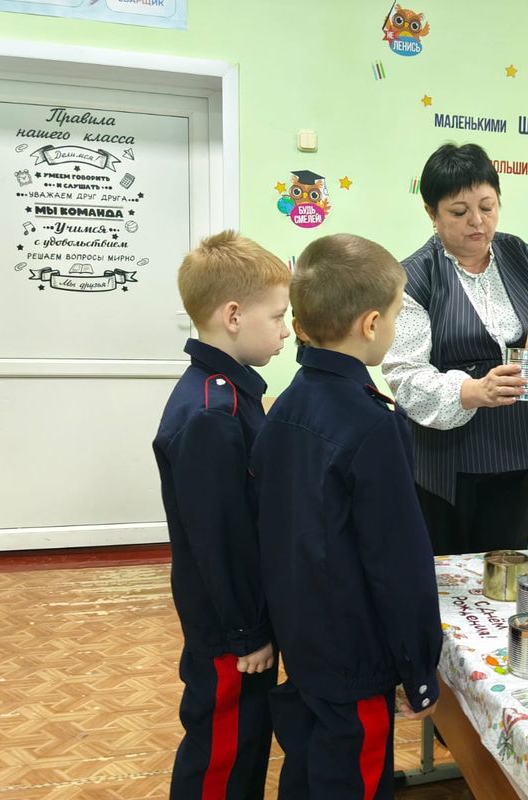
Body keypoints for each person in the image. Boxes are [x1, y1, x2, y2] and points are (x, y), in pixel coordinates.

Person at [254, 234, 442, 800]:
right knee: (352, 778)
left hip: (303, 638)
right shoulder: (372, 425)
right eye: (396, 314)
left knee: (308, 764)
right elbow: (398, 562)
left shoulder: (284, 406)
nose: (395, 324)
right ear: (370, 324)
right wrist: (419, 668)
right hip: (355, 654)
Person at [382, 142, 528, 556]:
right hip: (445, 463)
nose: (477, 221)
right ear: (431, 213)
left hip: (516, 451)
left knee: (504, 569)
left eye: (487, 206)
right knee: (446, 572)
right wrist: (472, 391)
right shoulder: (414, 278)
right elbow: (404, 376)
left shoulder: (526, 259)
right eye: (459, 212)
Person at [152, 230, 289, 800]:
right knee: (223, 754)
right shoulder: (213, 411)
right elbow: (221, 537)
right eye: (277, 316)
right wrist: (247, 632)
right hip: (230, 626)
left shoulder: (231, 393)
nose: (286, 330)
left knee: (246, 741)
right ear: (233, 316)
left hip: (238, 615)